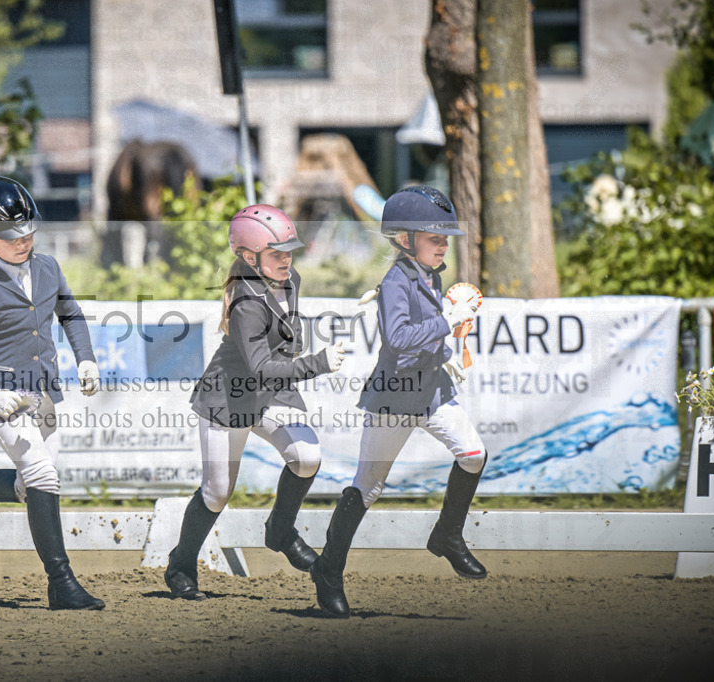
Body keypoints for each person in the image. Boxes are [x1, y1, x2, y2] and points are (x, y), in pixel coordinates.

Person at [310, 185, 487, 618]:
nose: (443, 244)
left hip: (433, 391)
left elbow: (429, 337)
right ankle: (329, 570)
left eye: (445, 237)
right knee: (368, 487)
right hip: (396, 396)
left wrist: (448, 356)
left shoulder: (432, 274)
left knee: (474, 454)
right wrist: (446, 322)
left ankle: (447, 535)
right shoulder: (394, 283)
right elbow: (401, 340)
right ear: (405, 239)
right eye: (434, 237)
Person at [0, 176, 104, 611]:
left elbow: (71, 313)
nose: (23, 241)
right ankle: (61, 583)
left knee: (30, 486)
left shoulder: (48, 267)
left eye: (28, 231)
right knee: (44, 477)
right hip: (1, 396)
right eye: (11, 237)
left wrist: (85, 357)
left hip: (45, 392)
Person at [164, 204, 347, 601]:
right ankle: (180, 564)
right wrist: (319, 362)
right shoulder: (246, 303)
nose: (288, 259)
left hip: (271, 394)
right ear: (250, 258)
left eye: (289, 250)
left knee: (306, 456)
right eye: (277, 253)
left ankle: (279, 530)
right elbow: (261, 367)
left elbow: (285, 339)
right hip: (228, 398)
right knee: (216, 494)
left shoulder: (290, 277)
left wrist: (298, 349)